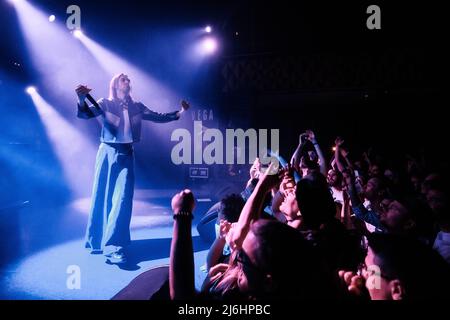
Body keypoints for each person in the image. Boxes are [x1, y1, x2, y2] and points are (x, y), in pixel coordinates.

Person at [76, 73, 189, 264]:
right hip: (107, 152)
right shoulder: (105, 103)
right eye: (123, 79)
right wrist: (80, 99)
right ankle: (97, 241)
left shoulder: (137, 106)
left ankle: (115, 246)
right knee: (102, 195)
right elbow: (85, 114)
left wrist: (180, 112)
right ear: (115, 84)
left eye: (128, 80)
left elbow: (158, 117)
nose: (127, 82)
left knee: (123, 198)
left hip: (127, 153)